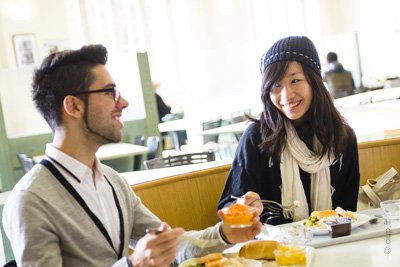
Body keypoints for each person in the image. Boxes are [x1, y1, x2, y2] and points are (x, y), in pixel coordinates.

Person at [2, 45, 263, 267]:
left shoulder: (113, 181)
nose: (123, 102)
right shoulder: (30, 200)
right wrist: (132, 264)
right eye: (110, 92)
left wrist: (225, 233)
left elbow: (171, 245)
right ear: (74, 105)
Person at [217, 36, 360, 225]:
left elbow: (348, 212)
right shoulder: (257, 138)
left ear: (314, 82)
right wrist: (243, 208)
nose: (286, 95)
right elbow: (229, 205)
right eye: (275, 85)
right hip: (277, 249)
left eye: (295, 80)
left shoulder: (342, 138)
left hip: (333, 243)